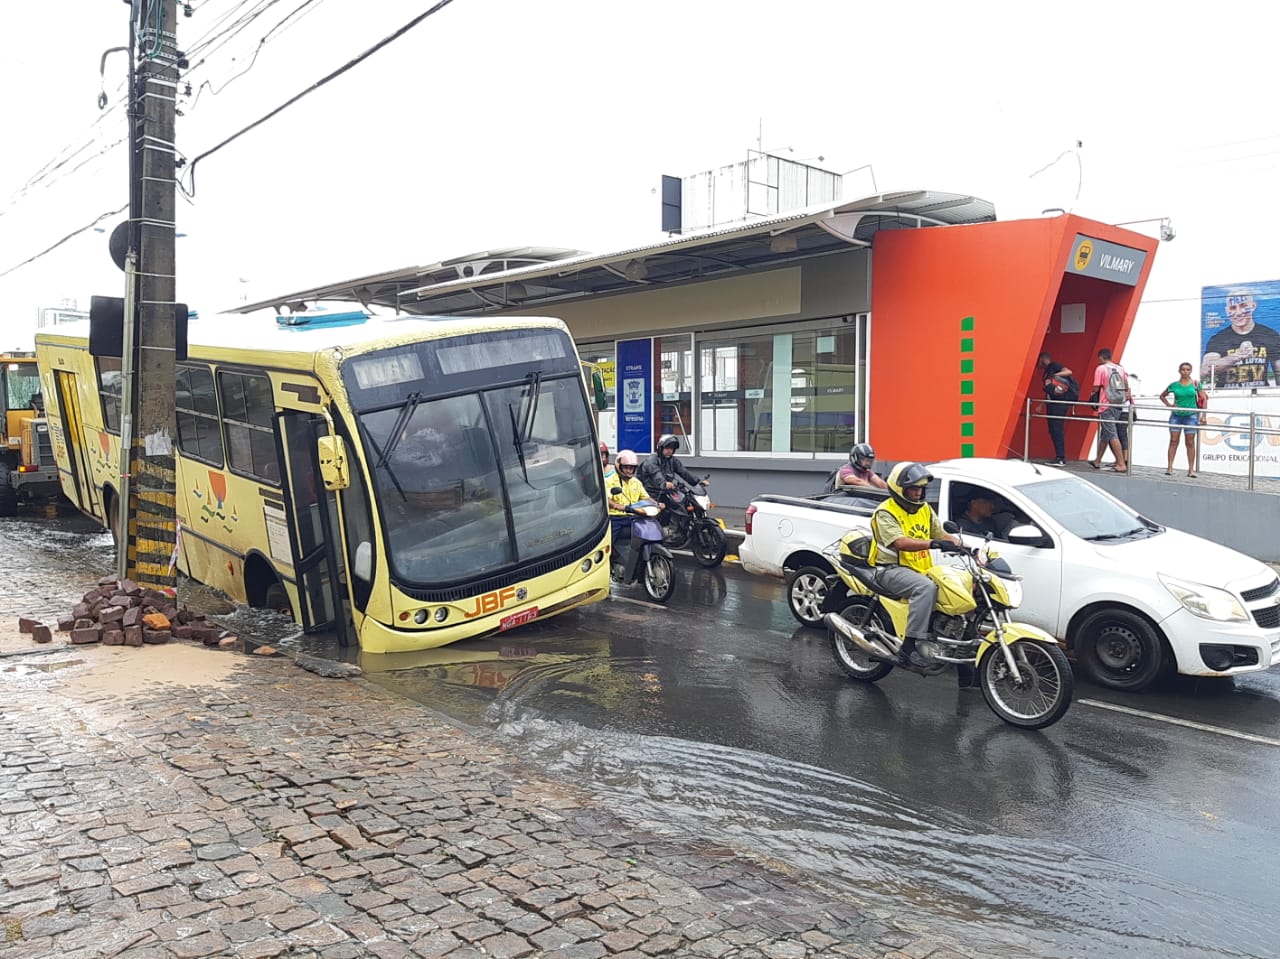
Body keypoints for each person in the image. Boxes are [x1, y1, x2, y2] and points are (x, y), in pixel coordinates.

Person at [867, 462, 965, 677]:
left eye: (920, 489)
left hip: (920, 568)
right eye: (913, 488)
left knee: (960, 585)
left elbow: (940, 534)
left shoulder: (924, 509)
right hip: (889, 569)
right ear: (899, 489)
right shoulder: (885, 512)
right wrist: (933, 544)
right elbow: (899, 542)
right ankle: (909, 646)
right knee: (926, 588)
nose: (918, 493)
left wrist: (964, 545)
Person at [1201, 292, 1280, 388]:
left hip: (1259, 395)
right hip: (1227, 396)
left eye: (1243, 306)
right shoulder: (1218, 339)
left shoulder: (1270, 335)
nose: (1238, 312)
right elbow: (1205, 370)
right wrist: (1238, 356)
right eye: (1233, 308)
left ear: (1253, 306)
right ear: (1227, 311)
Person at [1160, 362, 1207, 478]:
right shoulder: (1174, 385)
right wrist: (1169, 405)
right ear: (1179, 371)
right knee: (1173, 440)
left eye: (1187, 369)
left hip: (1191, 415)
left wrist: (1204, 416)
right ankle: (1170, 467)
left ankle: (1191, 469)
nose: (1185, 372)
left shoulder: (1196, 384)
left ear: (1191, 371)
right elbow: (1162, 395)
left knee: (1190, 442)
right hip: (1176, 415)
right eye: (1183, 369)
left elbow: (1204, 398)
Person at [608, 450, 653, 567]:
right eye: (626, 468)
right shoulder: (610, 481)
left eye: (631, 468)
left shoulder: (636, 482)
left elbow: (646, 497)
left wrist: (657, 504)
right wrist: (616, 505)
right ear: (619, 467)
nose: (629, 470)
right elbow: (606, 498)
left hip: (634, 517)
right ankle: (610, 561)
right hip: (616, 518)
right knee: (608, 543)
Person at [1089, 348, 1131, 474]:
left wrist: (1092, 397)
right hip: (1118, 404)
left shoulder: (1101, 368)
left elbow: (1096, 386)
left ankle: (1121, 463)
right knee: (1106, 433)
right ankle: (1098, 460)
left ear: (1101, 357)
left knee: (1112, 433)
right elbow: (1126, 386)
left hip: (1105, 405)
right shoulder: (1120, 369)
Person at [1036, 352, 1077, 466]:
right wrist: (1042, 404)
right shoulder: (1047, 372)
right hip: (1052, 403)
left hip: (1059, 404)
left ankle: (1060, 458)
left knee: (1057, 429)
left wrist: (1053, 376)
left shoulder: (1054, 366)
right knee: (1053, 430)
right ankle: (1058, 456)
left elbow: (1069, 372)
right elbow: (1049, 390)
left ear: (1042, 359)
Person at [639, 433, 706, 497]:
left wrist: (697, 482)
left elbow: (683, 471)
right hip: (650, 494)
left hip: (664, 492)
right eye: (667, 448)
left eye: (671, 449)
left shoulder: (672, 460)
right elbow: (656, 473)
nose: (670, 451)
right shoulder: (652, 460)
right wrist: (664, 483)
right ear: (661, 448)